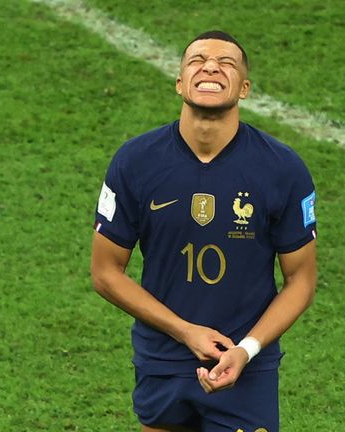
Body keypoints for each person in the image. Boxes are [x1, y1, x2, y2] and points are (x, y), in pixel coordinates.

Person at [90, 30, 317, 432]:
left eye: (226, 63)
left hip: (246, 369)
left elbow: (301, 279)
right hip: (162, 361)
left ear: (244, 88)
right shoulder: (135, 162)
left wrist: (246, 350)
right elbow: (106, 272)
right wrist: (185, 332)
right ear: (180, 82)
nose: (210, 66)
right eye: (197, 60)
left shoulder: (283, 169)